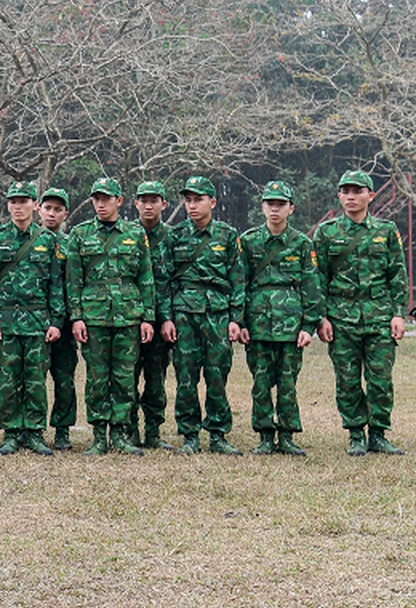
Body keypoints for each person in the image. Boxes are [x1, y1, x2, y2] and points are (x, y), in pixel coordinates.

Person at [314, 170, 408, 456]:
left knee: (381, 379)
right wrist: (322, 317)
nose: (351, 196)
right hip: (341, 318)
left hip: (379, 317)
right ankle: (356, 434)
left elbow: (397, 273)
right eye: (346, 191)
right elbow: (319, 278)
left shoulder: (386, 230)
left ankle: (378, 434)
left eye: (358, 191)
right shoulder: (326, 232)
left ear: (371, 195)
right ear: (339, 196)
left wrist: (398, 313)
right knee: (348, 380)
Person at [63, 177, 154, 456]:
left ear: (119, 200)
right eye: (96, 199)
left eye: (106, 198)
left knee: (125, 378)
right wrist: (76, 317)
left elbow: (145, 277)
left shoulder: (136, 233)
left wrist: (148, 317)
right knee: (97, 378)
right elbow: (73, 281)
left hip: (128, 316)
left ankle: (120, 432)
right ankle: (99, 435)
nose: (100, 204)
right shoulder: (79, 234)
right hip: (94, 318)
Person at [160, 175, 244, 456]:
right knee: (186, 376)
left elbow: (237, 278)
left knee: (217, 375)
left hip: (218, 314)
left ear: (213, 202)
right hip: (184, 315)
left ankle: (218, 435)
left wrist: (236, 318)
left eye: (198, 200)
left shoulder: (228, 235)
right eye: (188, 200)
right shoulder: (175, 235)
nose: (192, 206)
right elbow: (164, 280)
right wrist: (167, 318)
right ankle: (190, 434)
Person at [238, 180, 322, 456]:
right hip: (258, 322)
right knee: (261, 382)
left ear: (291, 208)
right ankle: (264, 436)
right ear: (262, 207)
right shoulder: (248, 241)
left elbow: (311, 284)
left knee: (288, 383)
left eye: (280, 204)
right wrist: (240, 322)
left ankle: (286, 436)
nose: (275, 209)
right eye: (270, 204)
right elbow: (240, 283)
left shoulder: (301, 242)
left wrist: (309, 325)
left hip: (290, 324)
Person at [0, 181, 64, 455]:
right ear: (8, 205)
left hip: (38, 322)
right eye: (13, 201)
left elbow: (55, 285)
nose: (18, 206)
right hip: (5, 323)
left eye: (24, 201)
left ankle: (35, 432)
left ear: (34, 205)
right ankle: (11, 432)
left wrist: (56, 321)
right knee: (7, 379)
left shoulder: (48, 240)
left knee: (36, 380)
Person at [131, 181, 174, 450]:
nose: (148, 205)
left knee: (156, 378)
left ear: (163, 204)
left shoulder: (173, 236)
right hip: (131, 319)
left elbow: (174, 280)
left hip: (161, 320)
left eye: (154, 200)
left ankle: (154, 432)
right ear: (135, 203)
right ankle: (130, 430)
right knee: (128, 377)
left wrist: (167, 317)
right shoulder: (126, 234)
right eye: (143, 200)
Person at [39, 186, 77, 450]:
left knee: (64, 379)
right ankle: (32, 428)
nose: (52, 214)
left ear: (65, 213)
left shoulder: (72, 243)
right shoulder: (30, 241)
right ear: (39, 210)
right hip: (37, 322)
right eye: (47, 208)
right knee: (33, 378)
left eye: (57, 209)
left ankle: (62, 430)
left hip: (64, 324)